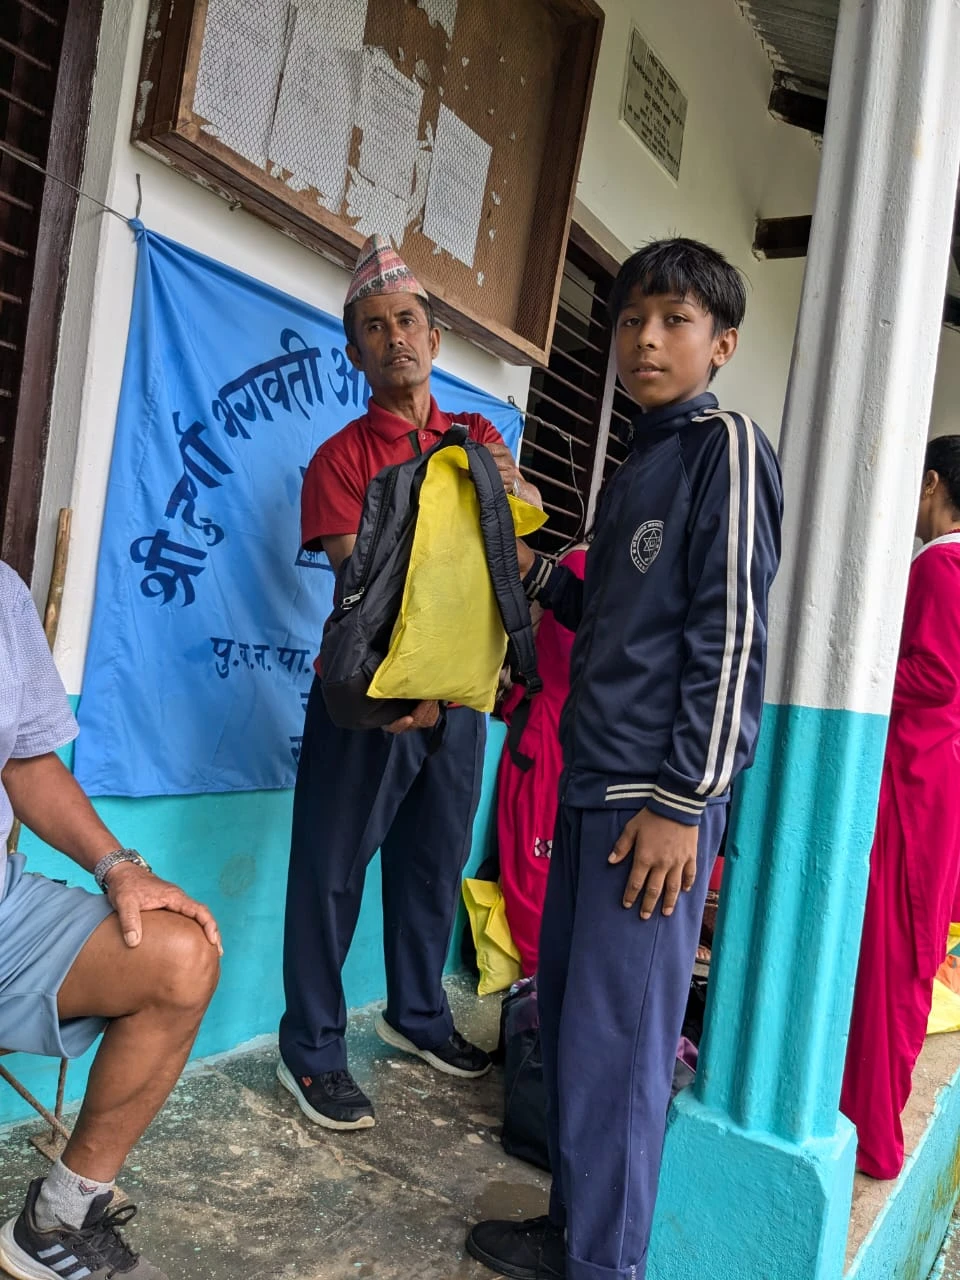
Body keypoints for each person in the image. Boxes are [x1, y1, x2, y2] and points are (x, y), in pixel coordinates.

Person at [467, 238, 783, 1280]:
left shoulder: (724, 448)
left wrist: (685, 802)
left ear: (721, 342)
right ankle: (575, 1233)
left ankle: (606, 1265)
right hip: (592, 788)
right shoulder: (639, 465)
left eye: (675, 320)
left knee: (622, 1047)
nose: (645, 339)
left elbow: (729, 637)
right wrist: (532, 568)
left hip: (652, 803)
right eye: (632, 320)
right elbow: (609, 614)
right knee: (574, 1027)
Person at [278, 235, 539, 1130]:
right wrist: (411, 689)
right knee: (331, 873)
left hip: (461, 696)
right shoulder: (341, 458)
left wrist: (508, 491)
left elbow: (516, 550)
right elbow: (365, 588)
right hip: (373, 700)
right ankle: (312, 1050)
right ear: (354, 352)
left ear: (435, 339)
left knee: (432, 863)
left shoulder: (480, 438)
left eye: (408, 321)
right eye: (374, 327)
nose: (395, 337)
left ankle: (417, 1013)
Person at [0, 561, 221, 1280]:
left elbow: (26, 763)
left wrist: (120, 867)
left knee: (180, 955)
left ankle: (59, 1218)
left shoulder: (2, 593)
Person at [841, 435, 960, 1180]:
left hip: (912, 785)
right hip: (933, 786)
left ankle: (872, 1135)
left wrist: (852, 668)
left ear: (932, 484)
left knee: (890, 961)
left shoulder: (941, 565)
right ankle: (870, 1121)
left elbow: (936, 675)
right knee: (905, 957)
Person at [497, 543, 587, 976]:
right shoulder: (581, 566)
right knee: (537, 866)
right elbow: (574, 662)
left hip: (571, 738)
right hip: (545, 735)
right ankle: (537, 983)